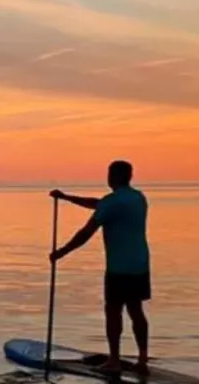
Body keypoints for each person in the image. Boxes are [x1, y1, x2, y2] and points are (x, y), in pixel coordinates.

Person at [50, 160, 150, 373]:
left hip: (119, 267)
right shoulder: (138, 198)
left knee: (113, 310)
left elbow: (86, 232)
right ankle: (142, 359)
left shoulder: (111, 203)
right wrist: (67, 198)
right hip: (140, 264)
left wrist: (62, 252)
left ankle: (114, 360)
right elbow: (98, 203)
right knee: (135, 309)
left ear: (113, 176)